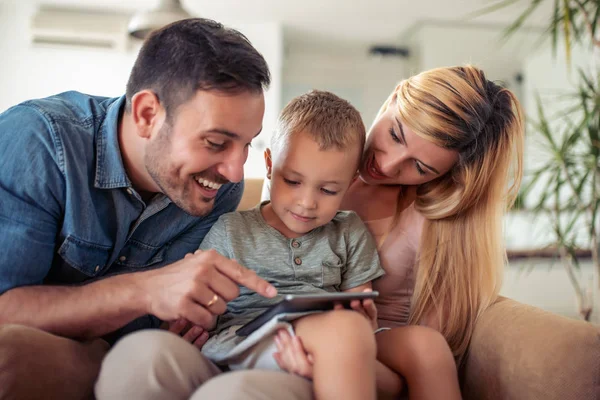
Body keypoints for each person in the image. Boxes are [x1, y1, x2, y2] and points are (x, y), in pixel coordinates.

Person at [0, 18, 278, 400]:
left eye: (246, 144)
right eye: (216, 142)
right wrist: (143, 291)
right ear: (148, 115)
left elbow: (164, 330)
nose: (234, 171)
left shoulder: (217, 191)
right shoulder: (40, 142)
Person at [96, 90, 389, 400]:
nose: (306, 203)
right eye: (292, 181)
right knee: (137, 353)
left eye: (329, 190)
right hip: (236, 344)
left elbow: (359, 309)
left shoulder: (348, 231)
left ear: (350, 182)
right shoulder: (231, 229)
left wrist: (354, 334)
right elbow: (196, 305)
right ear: (269, 165)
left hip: (310, 351)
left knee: (343, 331)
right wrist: (187, 323)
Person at [274, 65, 525, 399]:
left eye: (420, 168)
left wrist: (342, 363)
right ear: (393, 97)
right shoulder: (311, 170)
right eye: (395, 135)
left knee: (427, 347)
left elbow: (423, 359)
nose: (389, 165)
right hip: (301, 321)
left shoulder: (433, 221)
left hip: (380, 341)